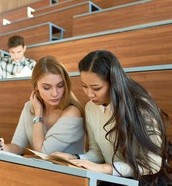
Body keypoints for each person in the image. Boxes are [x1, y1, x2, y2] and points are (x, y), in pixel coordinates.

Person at [53, 50, 172, 186]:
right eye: (84, 86)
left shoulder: (140, 106)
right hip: (115, 180)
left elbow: (153, 163)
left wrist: (106, 168)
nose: (90, 94)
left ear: (113, 83)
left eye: (96, 88)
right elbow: (97, 153)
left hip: (146, 181)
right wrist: (75, 158)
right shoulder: (90, 108)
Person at [0, 56, 85, 155]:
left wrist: (38, 115)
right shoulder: (29, 107)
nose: (55, 93)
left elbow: (43, 152)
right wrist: (1, 147)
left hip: (68, 170)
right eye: (47, 87)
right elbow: (17, 146)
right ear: (36, 86)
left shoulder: (73, 112)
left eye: (60, 86)